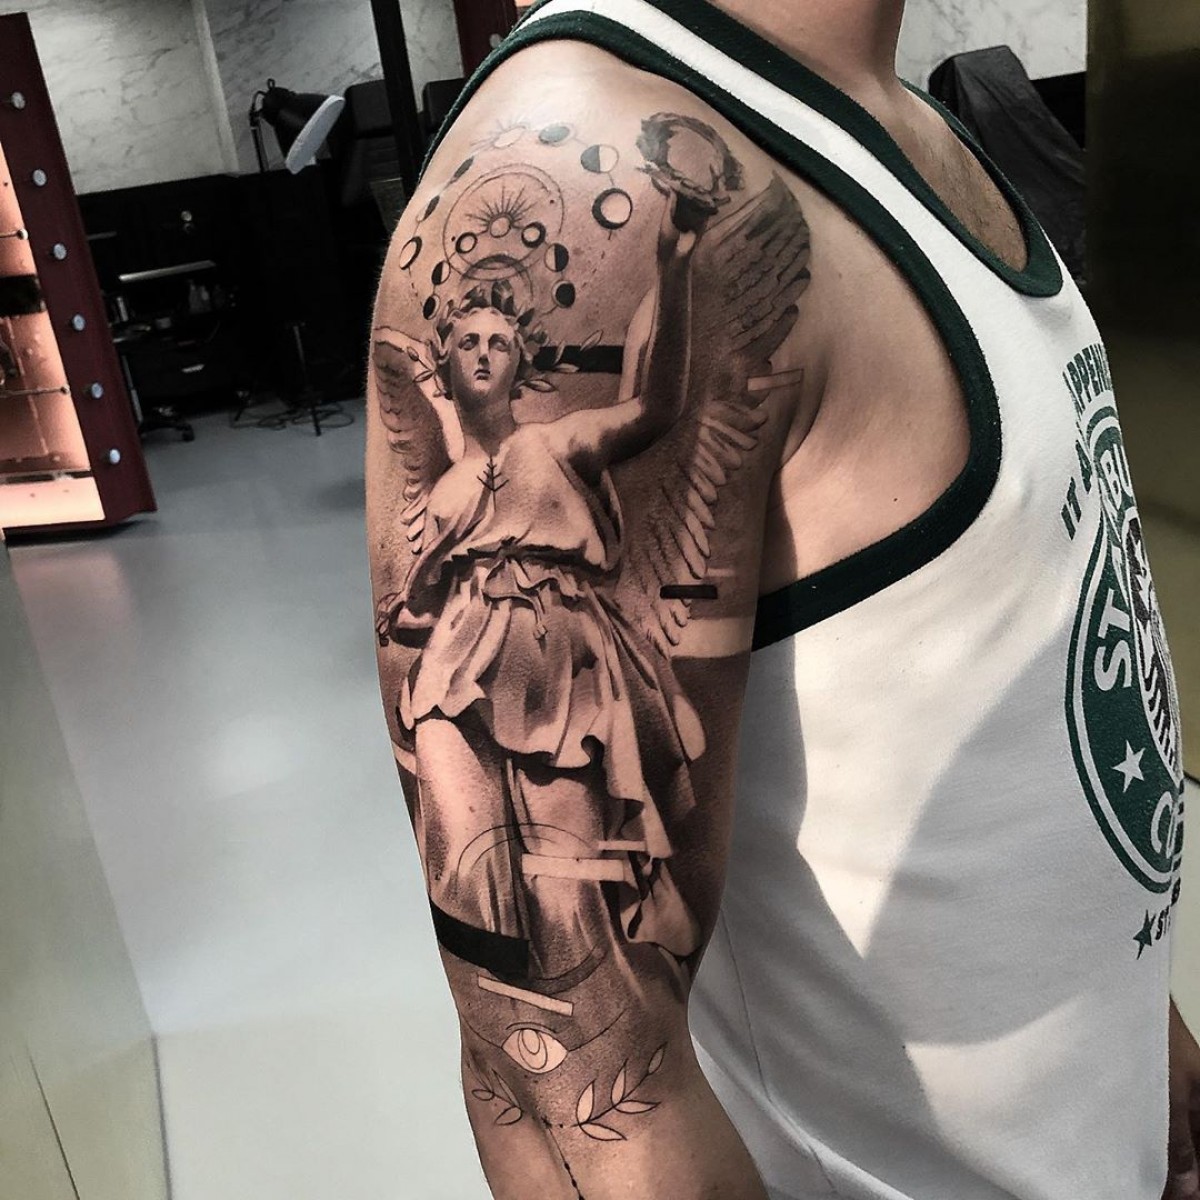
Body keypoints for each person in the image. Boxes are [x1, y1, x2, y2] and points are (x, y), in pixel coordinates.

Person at [365, 2, 1199, 1197]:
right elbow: (570, 1083)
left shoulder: (904, 122)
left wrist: (1144, 1040)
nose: (493, 356)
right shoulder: (594, 155)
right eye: (479, 347)